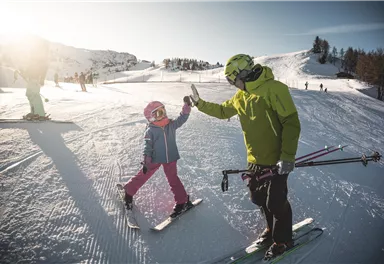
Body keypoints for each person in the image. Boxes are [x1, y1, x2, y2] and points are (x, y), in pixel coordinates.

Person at [189, 54, 301, 260]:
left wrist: (287, 156)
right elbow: (223, 111)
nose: (232, 85)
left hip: (277, 160)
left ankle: (283, 240)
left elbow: (291, 123)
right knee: (257, 198)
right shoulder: (241, 96)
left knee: (276, 202)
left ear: (243, 73)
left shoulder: (274, 89)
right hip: (254, 160)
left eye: (232, 80)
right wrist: (199, 103)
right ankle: (270, 228)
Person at [123, 97, 194, 218]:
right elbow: (147, 147)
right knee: (143, 175)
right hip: (155, 158)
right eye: (159, 112)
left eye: (163, 110)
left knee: (173, 180)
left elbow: (182, 119)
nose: (164, 114)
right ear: (152, 117)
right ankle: (128, 192)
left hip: (170, 158)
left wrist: (186, 107)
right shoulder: (151, 130)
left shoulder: (170, 125)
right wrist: (146, 162)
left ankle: (183, 201)